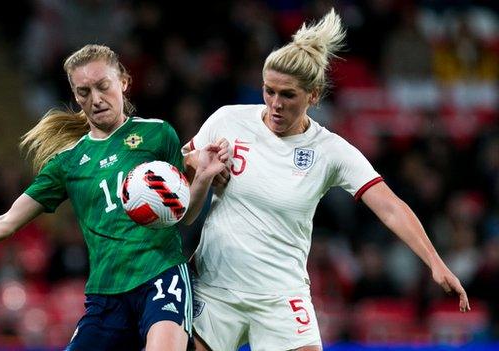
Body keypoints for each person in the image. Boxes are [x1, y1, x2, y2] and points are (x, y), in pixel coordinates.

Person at [0, 44, 227, 351]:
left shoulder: (157, 134)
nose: (95, 99)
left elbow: (182, 214)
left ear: (124, 82)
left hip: (161, 276)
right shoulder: (68, 163)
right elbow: (7, 221)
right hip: (105, 295)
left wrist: (203, 179)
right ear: (75, 96)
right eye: (84, 92)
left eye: (103, 86)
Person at [182, 9, 470, 351]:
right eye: (268, 91)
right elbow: (181, 178)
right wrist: (201, 166)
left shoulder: (330, 151)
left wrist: (435, 262)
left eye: (288, 95)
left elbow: (390, 207)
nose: (275, 104)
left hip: (280, 297)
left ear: (313, 95)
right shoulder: (227, 120)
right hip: (215, 288)